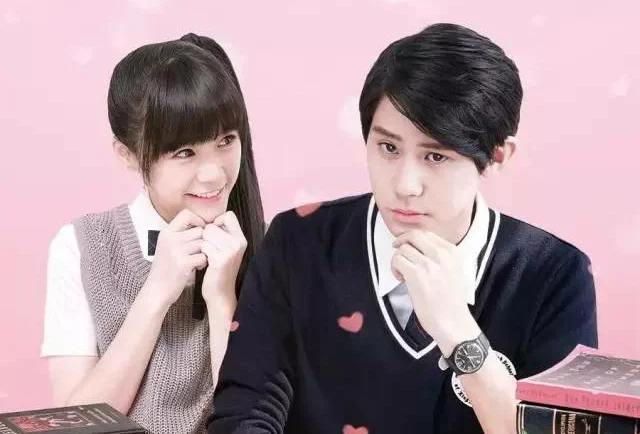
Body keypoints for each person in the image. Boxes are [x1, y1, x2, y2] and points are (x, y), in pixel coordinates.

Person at [208, 23, 597, 434]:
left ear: (498, 156)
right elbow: (244, 413)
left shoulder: (554, 275)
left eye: (436, 156)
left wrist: (457, 329)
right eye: (388, 148)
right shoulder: (298, 241)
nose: (405, 185)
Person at [41, 33, 264, 434]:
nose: (213, 174)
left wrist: (221, 300)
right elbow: (73, 428)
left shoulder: (276, 248)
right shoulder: (82, 247)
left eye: (225, 141)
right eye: (185, 153)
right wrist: (157, 291)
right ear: (127, 154)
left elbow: (253, 423)